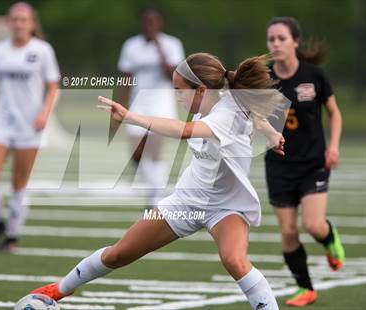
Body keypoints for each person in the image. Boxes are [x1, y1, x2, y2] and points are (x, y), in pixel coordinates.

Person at [31, 52, 287, 310]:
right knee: (119, 253)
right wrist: (272, 133)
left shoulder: (224, 116)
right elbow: (254, 113)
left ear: (201, 90)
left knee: (235, 261)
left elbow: (184, 130)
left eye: (179, 90)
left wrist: (131, 117)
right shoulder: (225, 97)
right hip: (185, 201)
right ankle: (58, 290)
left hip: (226, 207)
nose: (176, 96)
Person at [0, 2, 60, 251]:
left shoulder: (42, 50)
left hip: (29, 126)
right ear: (9, 23)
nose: (19, 24)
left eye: (23, 19)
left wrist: (44, 114)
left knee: (18, 183)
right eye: (15, 19)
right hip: (1, 123)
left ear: (31, 23)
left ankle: (12, 236)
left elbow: (53, 88)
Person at [265, 16, 344, 307]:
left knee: (313, 225)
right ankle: (305, 288)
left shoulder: (314, 75)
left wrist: (333, 147)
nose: (275, 43)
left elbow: (334, 113)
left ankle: (330, 237)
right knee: (288, 231)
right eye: (271, 39)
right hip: (278, 165)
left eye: (281, 38)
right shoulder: (263, 78)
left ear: (295, 41)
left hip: (313, 163)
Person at [117, 9, 185, 207]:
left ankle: (155, 198)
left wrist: (159, 49)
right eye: (147, 22)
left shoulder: (171, 44)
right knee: (136, 152)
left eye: (153, 22)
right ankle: (154, 186)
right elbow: (125, 78)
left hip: (161, 104)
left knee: (155, 150)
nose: (150, 26)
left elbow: (173, 76)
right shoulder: (131, 45)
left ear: (160, 24)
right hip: (139, 103)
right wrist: (121, 107)